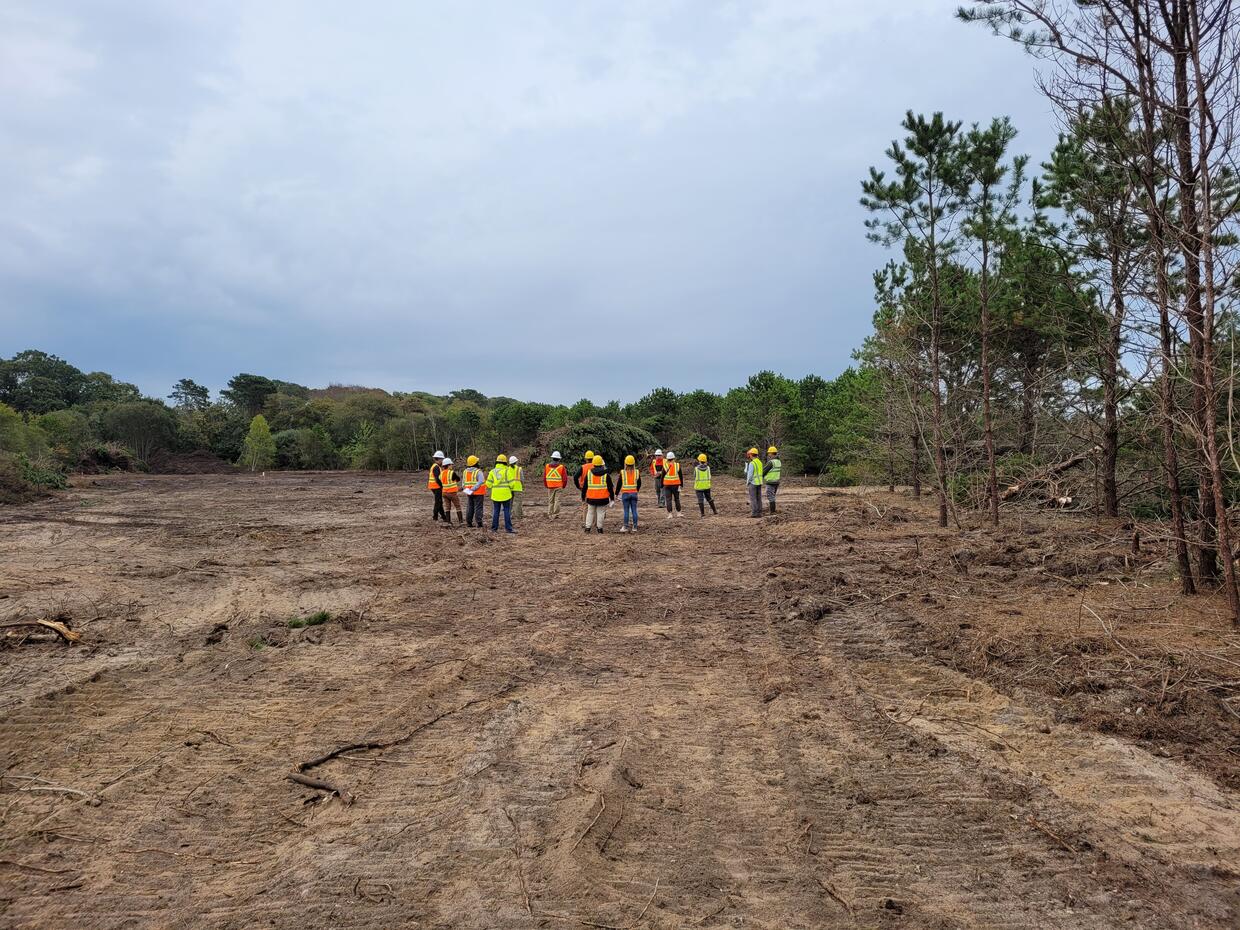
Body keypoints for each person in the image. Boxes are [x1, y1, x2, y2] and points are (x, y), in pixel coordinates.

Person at [581, 454, 614, 533]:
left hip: (591, 498)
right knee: (600, 513)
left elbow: (585, 487)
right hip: (603, 499)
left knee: (590, 512)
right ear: (602, 464)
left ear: (593, 463)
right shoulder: (606, 475)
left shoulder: (589, 474)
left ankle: (587, 528)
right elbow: (610, 488)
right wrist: (612, 499)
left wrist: (583, 497)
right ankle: (600, 529)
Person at [488, 454, 516, 534]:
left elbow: (488, 484)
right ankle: (509, 529)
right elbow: (512, 484)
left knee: (496, 511)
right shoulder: (507, 471)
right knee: (507, 511)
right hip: (506, 495)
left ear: (497, 462)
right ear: (505, 462)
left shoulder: (492, 471)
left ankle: (494, 529)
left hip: (495, 495)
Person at [618, 454, 642, 533]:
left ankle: (625, 526)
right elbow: (639, 483)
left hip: (625, 494)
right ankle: (635, 527)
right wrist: (636, 490)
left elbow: (619, 484)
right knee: (634, 510)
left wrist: (616, 493)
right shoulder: (637, 472)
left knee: (626, 511)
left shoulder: (622, 472)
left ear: (625, 463)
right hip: (634, 493)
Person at [462, 455, 487, 527]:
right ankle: (479, 523)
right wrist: (473, 489)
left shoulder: (465, 471)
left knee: (470, 506)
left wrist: (468, 490)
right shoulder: (478, 472)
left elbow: (463, 483)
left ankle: (469, 522)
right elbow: (481, 482)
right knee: (478, 507)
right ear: (475, 463)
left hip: (469, 492)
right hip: (478, 492)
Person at [544, 451, 567, 519]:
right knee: (557, 501)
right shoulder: (561, 467)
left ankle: (550, 513)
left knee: (551, 501)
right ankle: (555, 514)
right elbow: (565, 478)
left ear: (552, 458)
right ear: (559, 459)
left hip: (550, 486)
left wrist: (546, 485)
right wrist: (563, 486)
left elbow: (544, 477)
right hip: (559, 486)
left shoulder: (547, 466)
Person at [694, 453, 717, 517]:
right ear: (705, 461)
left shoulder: (696, 469)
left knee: (700, 500)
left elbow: (695, 477)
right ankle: (715, 511)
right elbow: (709, 477)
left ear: (699, 461)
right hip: (707, 486)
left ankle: (702, 513)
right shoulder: (708, 468)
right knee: (709, 498)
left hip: (698, 487)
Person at [662, 451, 683, 519]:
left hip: (667, 485)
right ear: (674, 458)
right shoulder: (677, 465)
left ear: (667, 459)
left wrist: (661, 485)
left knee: (668, 499)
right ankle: (679, 513)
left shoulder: (665, 465)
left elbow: (662, 476)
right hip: (676, 485)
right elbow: (680, 476)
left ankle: (670, 514)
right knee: (677, 499)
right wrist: (681, 484)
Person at [744, 447, 764, 518]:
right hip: (759, 482)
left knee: (753, 498)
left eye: (749, 454)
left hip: (753, 483)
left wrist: (747, 482)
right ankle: (759, 512)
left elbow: (750, 475)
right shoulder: (760, 462)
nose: (749, 456)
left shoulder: (752, 463)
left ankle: (754, 513)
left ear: (751, 455)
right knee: (759, 498)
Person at [428, 450, 447, 523]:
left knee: (439, 502)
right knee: (438, 502)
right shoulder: (436, 467)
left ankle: (443, 516)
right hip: (436, 487)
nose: (442, 461)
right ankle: (435, 517)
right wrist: (442, 486)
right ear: (438, 459)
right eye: (442, 459)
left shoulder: (436, 466)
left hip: (434, 486)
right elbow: (437, 479)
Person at [764, 445, 782, 514]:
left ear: (771, 453)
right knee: (773, 496)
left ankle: (772, 511)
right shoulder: (778, 462)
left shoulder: (771, 462)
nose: (768, 454)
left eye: (769, 453)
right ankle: (772, 510)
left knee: (770, 497)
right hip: (776, 481)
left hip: (770, 482)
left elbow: (764, 471)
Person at [508, 455, 524, 520]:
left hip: (509, 488)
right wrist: (522, 486)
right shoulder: (519, 469)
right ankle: (518, 516)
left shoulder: (507, 469)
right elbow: (522, 479)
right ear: (516, 462)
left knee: (509, 503)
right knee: (518, 502)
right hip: (518, 488)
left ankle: (509, 515)